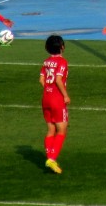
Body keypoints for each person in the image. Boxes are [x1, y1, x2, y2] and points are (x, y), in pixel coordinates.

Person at [40, 34, 70, 175]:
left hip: (46, 97)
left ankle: (49, 157)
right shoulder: (62, 62)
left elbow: (41, 80)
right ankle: (52, 158)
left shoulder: (46, 62)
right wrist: (65, 95)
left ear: (46, 48)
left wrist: (48, 89)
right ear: (62, 47)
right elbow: (58, 79)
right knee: (62, 130)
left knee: (51, 129)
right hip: (57, 99)